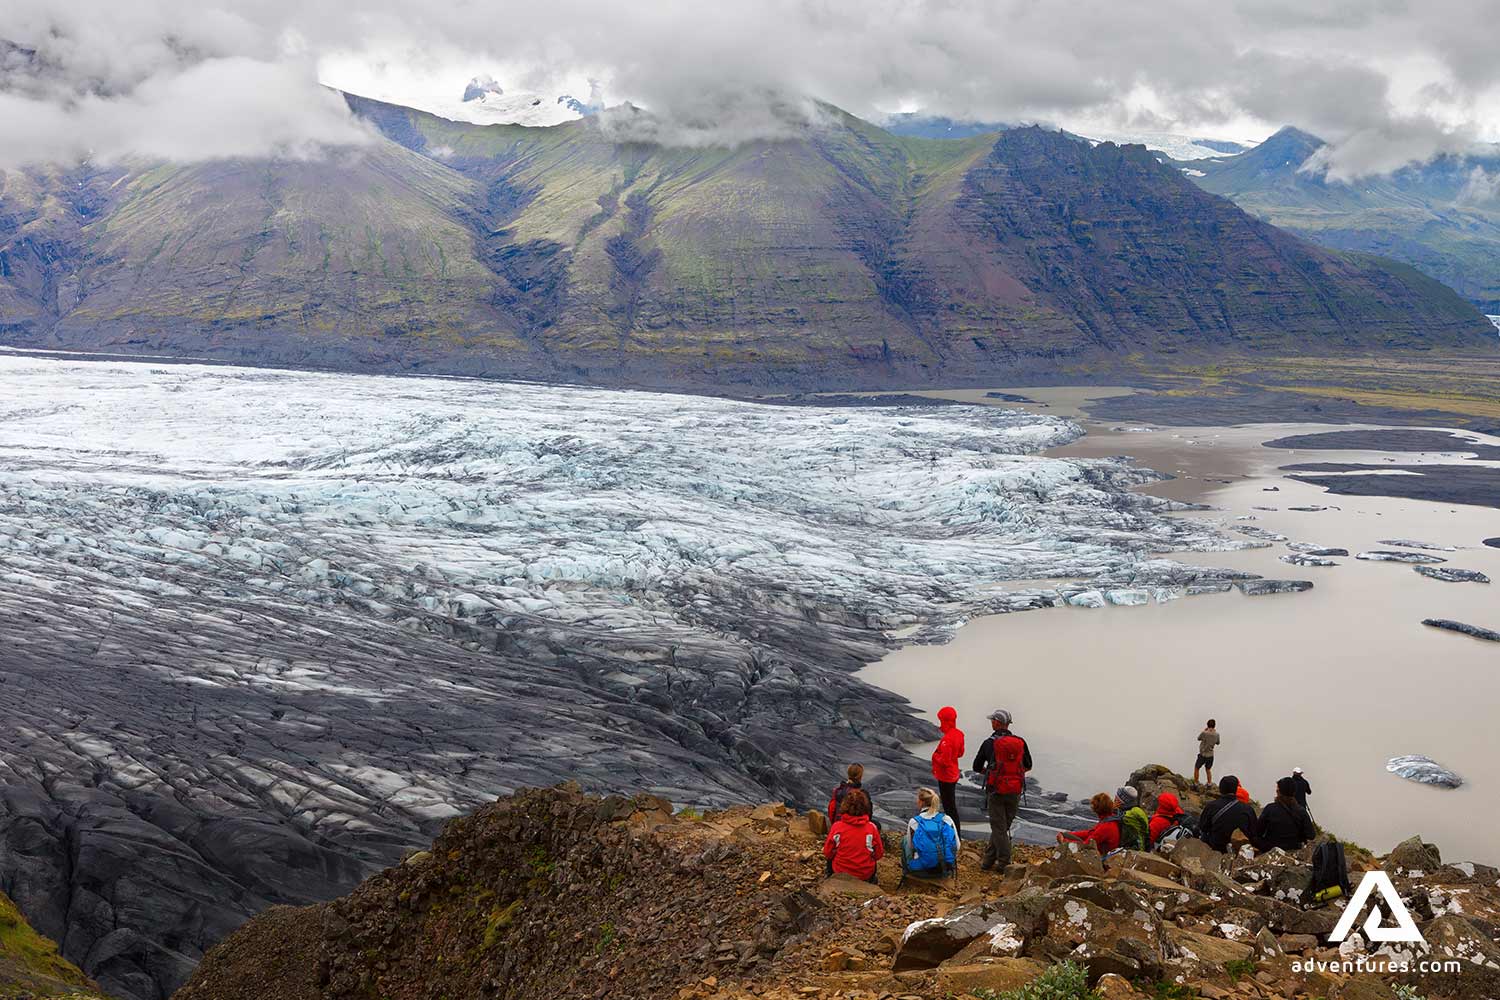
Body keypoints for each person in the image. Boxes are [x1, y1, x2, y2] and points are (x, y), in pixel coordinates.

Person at [971, 708, 1032, 871]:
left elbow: (976, 766)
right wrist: (1012, 776)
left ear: (997, 723)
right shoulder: (1020, 741)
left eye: (992, 720)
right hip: (1015, 790)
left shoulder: (988, 743)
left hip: (996, 790)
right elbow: (1028, 765)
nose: (991, 722)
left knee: (998, 828)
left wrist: (991, 773)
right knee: (1001, 828)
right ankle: (988, 862)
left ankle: (1004, 862)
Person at [823, 788, 885, 882]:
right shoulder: (872, 828)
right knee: (872, 861)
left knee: (831, 857)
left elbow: (827, 852)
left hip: (840, 872)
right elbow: (879, 854)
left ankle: (829, 877)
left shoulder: (837, 827)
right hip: (864, 875)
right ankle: (871, 881)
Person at [902, 787, 960, 878]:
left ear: (921, 802)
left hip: (922, 870)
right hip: (944, 869)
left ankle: (907, 872)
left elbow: (911, 847)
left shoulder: (914, 822)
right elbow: (957, 846)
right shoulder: (947, 820)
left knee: (905, 840)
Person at [1253, 777, 1317, 852]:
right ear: (1294, 792)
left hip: (1271, 849)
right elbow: (1311, 835)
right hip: (1294, 848)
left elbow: (1258, 831)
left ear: (1279, 792)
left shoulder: (1270, 809)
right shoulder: (1301, 811)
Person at [930, 707, 965, 836]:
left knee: (949, 807)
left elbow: (944, 761)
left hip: (946, 776)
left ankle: (955, 835)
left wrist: (935, 757)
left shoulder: (947, 739)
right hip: (954, 773)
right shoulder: (959, 734)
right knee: (951, 805)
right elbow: (960, 753)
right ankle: (954, 834)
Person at [1198, 775, 1256, 852]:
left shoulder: (1211, 806)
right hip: (1239, 851)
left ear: (1220, 789)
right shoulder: (1248, 809)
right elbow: (1254, 832)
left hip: (1215, 848)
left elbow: (1203, 827)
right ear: (1236, 790)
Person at [1117, 785, 1150, 851]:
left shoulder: (1127, 817)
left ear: (1124, 801)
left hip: (1130, 850)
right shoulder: (1138, 810)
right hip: (1140, 846)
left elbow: (1123, 837)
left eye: (1117, 799)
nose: (1115, 800)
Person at [1194, 719, 1221, 786]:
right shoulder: (1217, 734)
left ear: (1207, 725)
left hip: (1202, 754)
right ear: (1214, 726)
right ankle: (1209, 783)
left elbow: (1198, 738)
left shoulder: (1204, 733)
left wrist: (1204, 730)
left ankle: (1196, 783)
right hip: (1210, 755)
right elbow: (1218, 743)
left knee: (1197, 768)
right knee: (1208, 769)